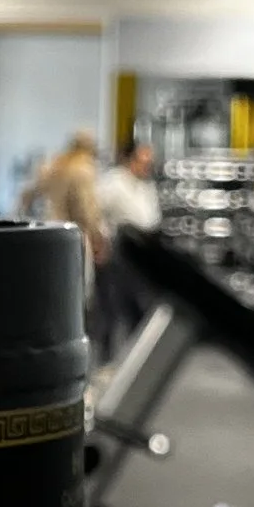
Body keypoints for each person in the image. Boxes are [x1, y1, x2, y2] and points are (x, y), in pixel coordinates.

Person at [92, 134, 162, 358]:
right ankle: (106, 359)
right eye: (143, 160)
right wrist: (100, 242)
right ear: (130, 158)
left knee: (140, 311)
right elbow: (96, 213)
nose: (147, 164)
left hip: (144, 253)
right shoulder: (113, 182)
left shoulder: (145, 186)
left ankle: (137, 359)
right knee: (111, 310)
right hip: (119, 252)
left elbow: (150, 217)